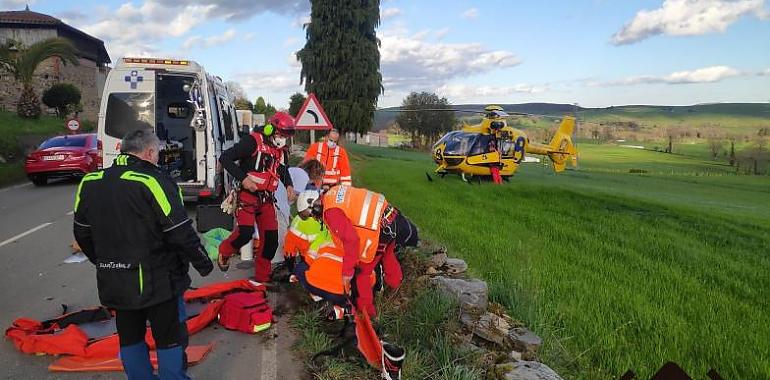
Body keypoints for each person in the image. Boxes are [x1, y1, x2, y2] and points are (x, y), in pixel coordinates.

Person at [73, 129, 213, 380]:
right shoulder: (153, 180)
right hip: (158, 280)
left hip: (115, 281)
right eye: (157, 153)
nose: (158, 158)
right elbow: (179, 230)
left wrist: (105, 262)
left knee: (130, 338)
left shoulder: (90, 181)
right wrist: (204, 263)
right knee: (170, 339)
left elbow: (82, 233)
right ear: (149, 152)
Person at [299, 186, 419, 317]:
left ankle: (367, 312)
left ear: (314, 207)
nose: (315, 218)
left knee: (363, 273)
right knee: (387, 255)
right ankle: (396, 286)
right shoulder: (333, 193)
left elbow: (351, 240)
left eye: (311, 215)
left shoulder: (331, 212)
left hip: (380, 229)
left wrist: (347, 272)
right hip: (391, 218)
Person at [217, 112, 296, 282]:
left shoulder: (280, 150)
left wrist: (288, 185)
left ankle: (262, 278)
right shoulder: (252, 141)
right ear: (271, 129)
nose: (283, 139)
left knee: (270, 242)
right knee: (245, 233)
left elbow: (282, 169)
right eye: (281, 134)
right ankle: (224, 251)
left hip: (267, 199)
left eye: (286, 136)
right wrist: (244, 178)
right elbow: (225, 158)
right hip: (248, 196)